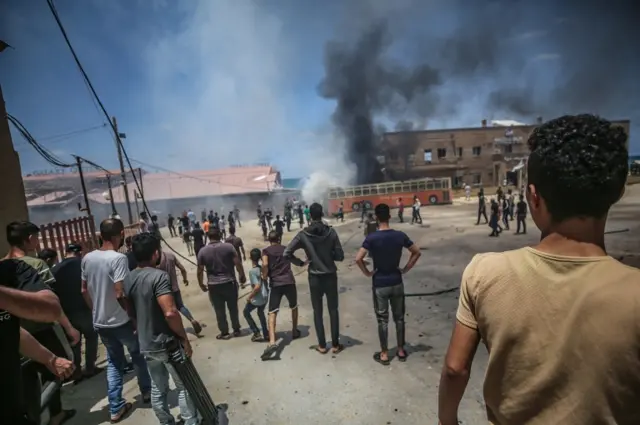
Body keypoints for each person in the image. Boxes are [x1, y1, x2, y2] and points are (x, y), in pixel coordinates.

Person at [437, 114, 640, 425]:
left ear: (533, 197)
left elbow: (455, 369)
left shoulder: (484, 272)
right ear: (617, 191)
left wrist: (446, 421)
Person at [1, 226, 76, 425]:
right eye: (37, 238)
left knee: (28, 382)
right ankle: (54, 413)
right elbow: (53, 308)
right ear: (30, 238)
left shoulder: (4, 266)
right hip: (43, 330)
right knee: (60, 370)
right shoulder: (33, 264)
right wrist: (69, 328)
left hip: (19, 343)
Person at [81, 218, 151, 423]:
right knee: (137, 355)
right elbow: (120, 293)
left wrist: (96, 311)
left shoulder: (87, 258)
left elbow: (84, 290)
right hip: (121, 321)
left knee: (114, 362)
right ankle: (147, 392)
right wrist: (134, 318)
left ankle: (115, 407)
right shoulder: (118, 259)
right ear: (119, 234)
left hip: (101, 322)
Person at [123, 234, 198, 425]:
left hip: (146, 344)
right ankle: (191, 421)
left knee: (158, 387)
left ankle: (166, 422)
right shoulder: (159, 277)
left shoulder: (129, 278)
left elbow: (129, 310)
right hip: (167, 343)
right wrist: (184, 339)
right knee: (184, 386)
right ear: (156, 253)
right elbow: (171, 312)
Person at [355, 204, 421, 365]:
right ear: (389, 216)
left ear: (376, 217)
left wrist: (368, 273)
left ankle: (384, 354)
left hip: (380, 284)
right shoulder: (399, 236)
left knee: (382, 320)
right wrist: (405, 269)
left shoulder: (372, 238)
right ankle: (400, 350)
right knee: (399, 318)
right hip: (397, 281)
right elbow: (416, 252)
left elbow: (358, 258)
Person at [284, 203, 344, 354]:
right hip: (330, 276)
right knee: (333, 310)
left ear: (309, 215)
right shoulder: (331, 232)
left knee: (317, 311)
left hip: (315, 278)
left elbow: (287, 253)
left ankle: (322, 346)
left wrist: (301, 262)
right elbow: (340, 256)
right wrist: (328, 255)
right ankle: (336, 345)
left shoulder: (303, 235)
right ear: (322, 213)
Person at [52, 243, 102, 383]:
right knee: (91, 338)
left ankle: (76, 372)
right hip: (85, 309)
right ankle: (90, 368)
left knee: (75, 343)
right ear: (79, 252)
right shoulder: (84, 265)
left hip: (67, 313)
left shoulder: (56, 269)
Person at [197, 227, 246, 339]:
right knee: (233, 307)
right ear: (220, 235)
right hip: (230, 282)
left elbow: (200, 270)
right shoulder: (229, 247)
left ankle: (224, 332)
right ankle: (236, 329)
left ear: (208, 237)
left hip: (213, 285)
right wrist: (242, 276)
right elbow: (237, 263)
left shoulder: (203, 251)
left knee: (219, 310)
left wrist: (201, 284)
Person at [261, 231, 300, 359]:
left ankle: (272, 342)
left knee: (272, 311)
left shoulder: (266, 251)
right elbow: (294, 260)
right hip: (289, 281)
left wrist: (264, 275)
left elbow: (265, 264)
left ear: (269, 240)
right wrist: (303, 263)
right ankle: (294, 331)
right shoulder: (285, 249)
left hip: (276, 284)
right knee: (293, 306)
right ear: (279, 238)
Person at [156, 247, 203, 335]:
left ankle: (175, 330)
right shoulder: (170, 255)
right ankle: (192, 320)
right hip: (175, 287)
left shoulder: (155, 261)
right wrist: (185, 279)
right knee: (180, 306)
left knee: (168, 311)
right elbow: (182, 269)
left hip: (164, 291)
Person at [244, 248, 269, 342]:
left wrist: (249, 296)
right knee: (260, 313)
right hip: (265, 296)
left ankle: (256, 332)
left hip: (258, 298)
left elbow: (257, 286)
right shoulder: (262, 269)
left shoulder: (252, 271)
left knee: (246, 312)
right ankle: (266, 334)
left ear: (250, 258)